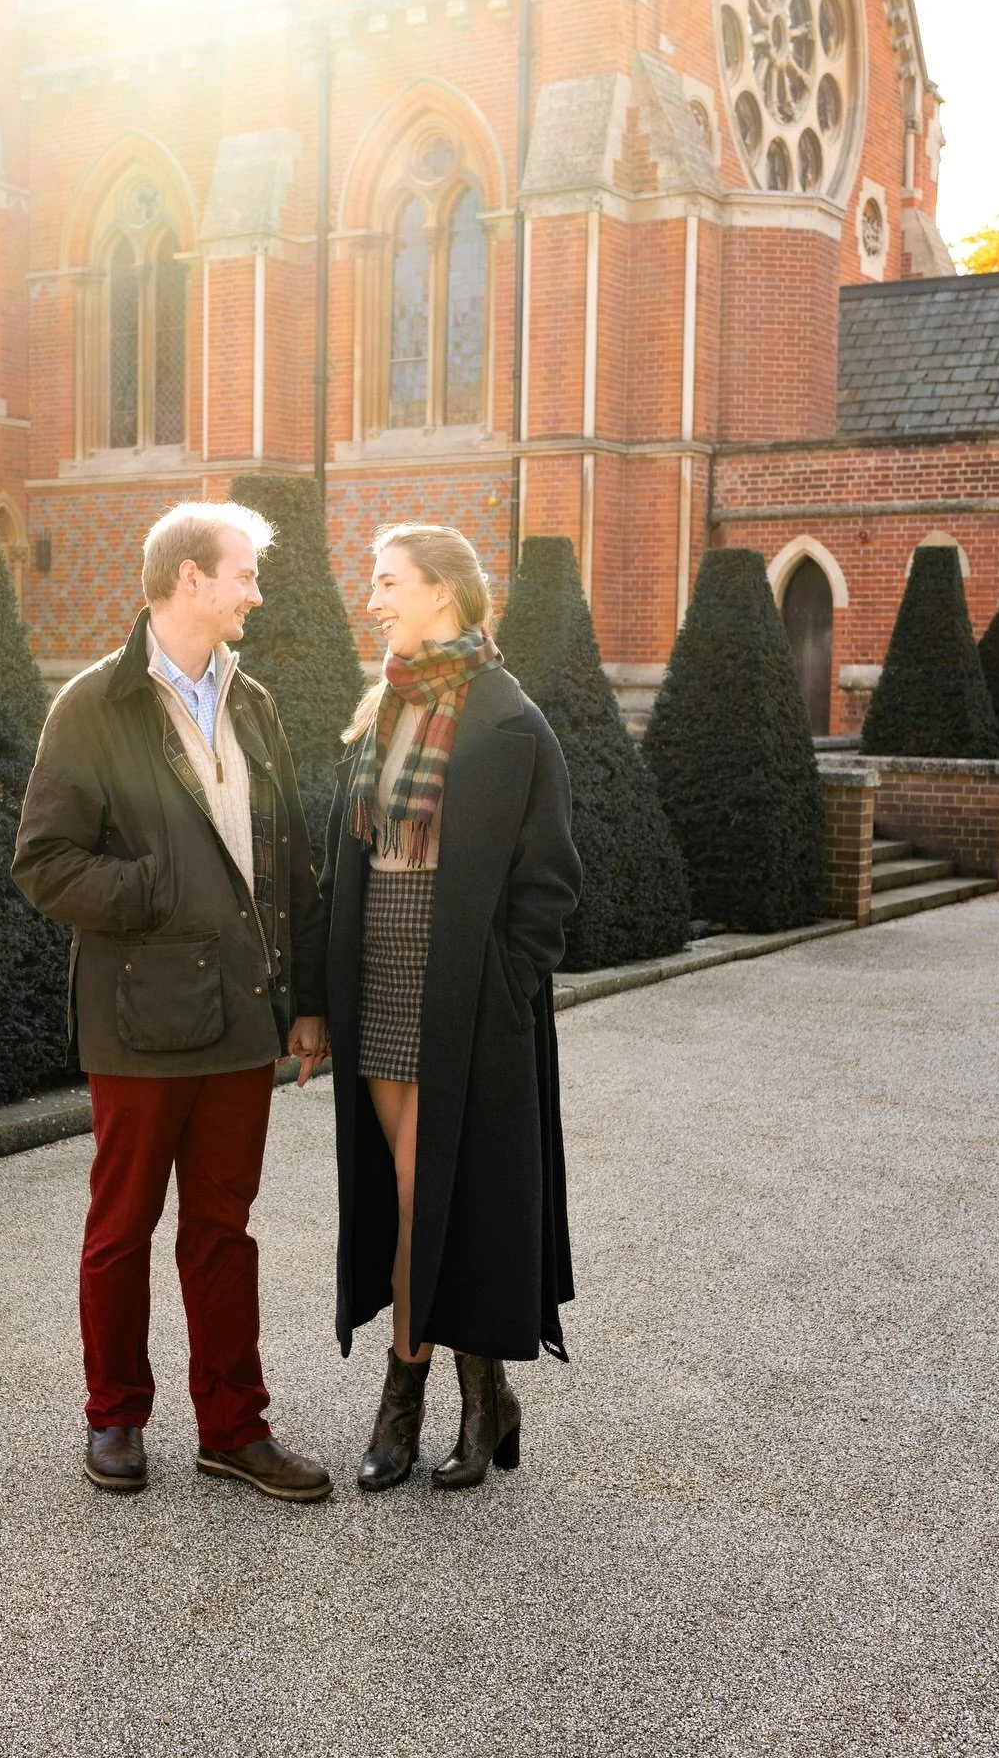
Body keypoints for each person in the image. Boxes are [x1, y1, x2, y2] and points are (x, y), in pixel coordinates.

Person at [13, 502, 332, 1501]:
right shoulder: (92, 708)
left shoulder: (255, 704)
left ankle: (234, 1429)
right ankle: (115, 1417)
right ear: (189, 579)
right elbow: (44, 865)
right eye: (242, 572)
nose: (256, 591)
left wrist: (308, 1004)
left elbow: (291, 868)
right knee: (122, 1229)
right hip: (140, 1019)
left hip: (243, 1021)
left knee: (224, 1233)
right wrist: (157, 891)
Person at [322, 523, 582, 1491]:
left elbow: (550, 885)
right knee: (408, 1195)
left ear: (444, 593)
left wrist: (503, 990)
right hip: (380, 992)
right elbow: (340, 856)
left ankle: (409, 1396)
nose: (375, 599)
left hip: (461, 1002)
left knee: (421, 1190)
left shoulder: (513, 725)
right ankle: (487, 1395)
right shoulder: (383, 708)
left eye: (389, 582)